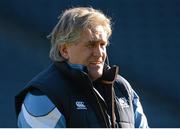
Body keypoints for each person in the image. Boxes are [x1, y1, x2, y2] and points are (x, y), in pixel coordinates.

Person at [15, 7, 149, 128]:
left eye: (102, 44)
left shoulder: (123, 89)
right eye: (90, 45)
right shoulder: (43, 97)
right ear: (64, 50)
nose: (99, 53)